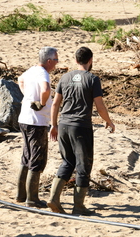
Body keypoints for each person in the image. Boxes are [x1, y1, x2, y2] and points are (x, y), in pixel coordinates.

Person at [48, 46, 115, 215]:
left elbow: (55, 104)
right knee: (84, 165)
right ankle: (78, 206)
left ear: (76, 60)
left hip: (63, 125)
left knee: (67, 162)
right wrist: (108, 121)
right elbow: (100, 106)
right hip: (81, 127)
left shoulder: (64, 77)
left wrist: (53, 125)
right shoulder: (92, 79)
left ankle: (54, 198)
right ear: (90, 60)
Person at [16, 46, 59, 208]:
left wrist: (27, 96)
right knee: (37, 159)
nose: (57, 63)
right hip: (37, 121)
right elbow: (46, 89)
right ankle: (32, 198)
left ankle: (21, 194)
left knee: (26, 156)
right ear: (49, 61)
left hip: (24, 119)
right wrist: (41, 103)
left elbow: (20, 80)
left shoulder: (31, 70)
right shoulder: (43, 73)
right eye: (55, 60)